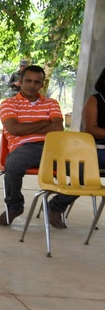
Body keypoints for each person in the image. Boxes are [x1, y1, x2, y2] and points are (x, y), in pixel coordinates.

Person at [0, 64, 64, 227]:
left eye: (37, 82)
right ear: (21, 81)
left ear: (42, 84)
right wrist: (43, 121)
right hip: (24, 149)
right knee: (13, 164)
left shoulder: (51, 103)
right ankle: (14, 206)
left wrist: (26, 126)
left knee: (86, 170)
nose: (32, 85)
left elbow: (58, 127)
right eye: (28, 81)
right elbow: (14, 129)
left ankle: (56, 206)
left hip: (53, 149)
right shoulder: (9, 104)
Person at [45, 65, 105, 226]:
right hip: (97, 150)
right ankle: (56, 205)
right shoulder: (96, 100)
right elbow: (91, 129)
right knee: (85, 171)